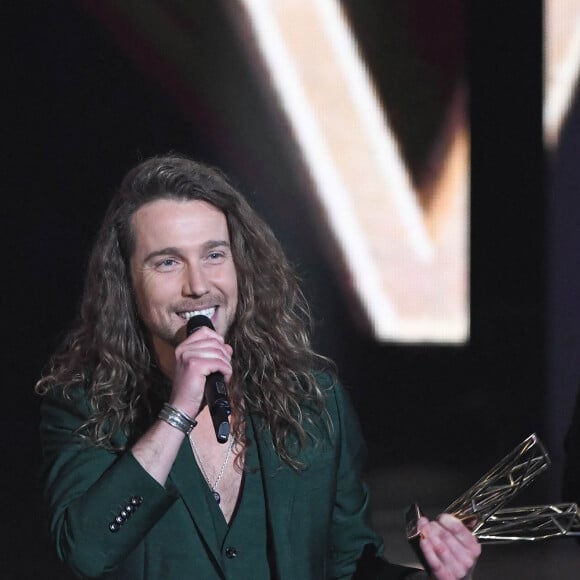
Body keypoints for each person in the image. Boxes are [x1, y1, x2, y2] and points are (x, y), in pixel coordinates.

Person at [36, 154, 480, 579]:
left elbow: (349, 565)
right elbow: (87, 552)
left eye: (214, 255)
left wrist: (434, 574)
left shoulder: (313, 402)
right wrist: (178, 412)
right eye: (168, 262)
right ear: (128, 282)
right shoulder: (85, 406)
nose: (198, 285)